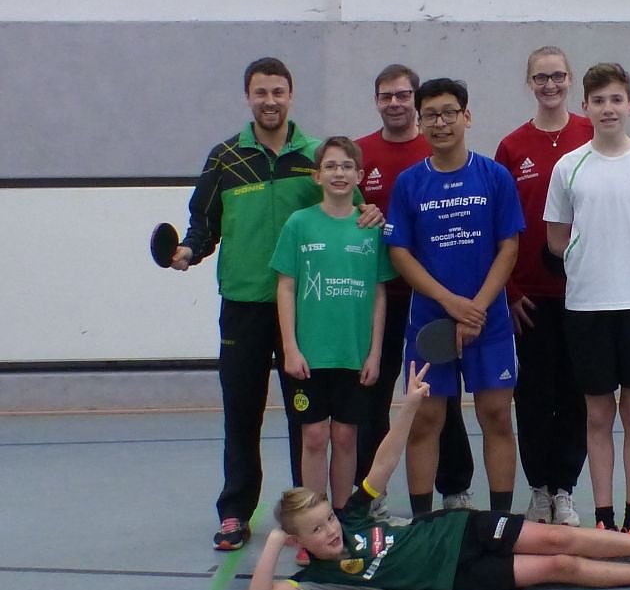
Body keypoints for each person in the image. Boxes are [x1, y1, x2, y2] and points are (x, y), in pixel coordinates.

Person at [246, 362, 630, 590]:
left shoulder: (352, 516)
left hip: (459, 530)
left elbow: (385, 460)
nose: (329, 530)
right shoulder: (317, 580)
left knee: (557, 537)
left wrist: (409, 406)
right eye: (315, 530)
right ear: (299, 542)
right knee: (560, 566)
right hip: (455, 577)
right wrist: (275, 541)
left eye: (326, 519)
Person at [169, 57, 381, 551]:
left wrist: (371, 211)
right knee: (241, 412)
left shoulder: (314, 157)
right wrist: (189, 250)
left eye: (278, 92)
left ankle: (308, 520)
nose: (270, 101)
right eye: (261, 92)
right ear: (248, 97)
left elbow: (349, 208)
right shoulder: (225, 157)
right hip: (242, 305)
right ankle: (235, 512)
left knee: (307, 423)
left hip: (304, 312)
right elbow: (204, 222)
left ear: (290, 95)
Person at [544, 63, 630, 537]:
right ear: (585, 107)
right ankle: (603, 518)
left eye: (616, 99)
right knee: (598, 414)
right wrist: (592, 258)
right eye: (598, 100)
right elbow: (556, 239)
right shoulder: (569, 166)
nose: (608, 108)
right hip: (586, 308)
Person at [384, 78, 523, 518]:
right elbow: (399, 252)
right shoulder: (409, 183)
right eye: (430, 115)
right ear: (420, 121)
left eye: (449, 113)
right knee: (425, 420)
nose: (440, 123)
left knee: (496, 415)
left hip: (489, 321)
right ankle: (424, 524)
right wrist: (450, 303)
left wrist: (475, 308)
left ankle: (501, 524)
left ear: (467, 116)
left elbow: (509, 248)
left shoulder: (495, 176)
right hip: (430, 320)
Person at [356, 64, 476, 517]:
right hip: (378, 299)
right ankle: (371, 493)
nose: (395, 103)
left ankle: (455, 488)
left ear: (416, 103)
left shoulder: (439, 149)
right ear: (376, 101)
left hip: (431, 299)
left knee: (440, 400)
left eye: (402, 95)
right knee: (373, 396)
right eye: (386, 96)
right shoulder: (360, 154)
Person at [270, 136, 395, 564]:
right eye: (330, 166)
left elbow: (379, 294)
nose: (338, 173)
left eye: (346, 167)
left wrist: (375, 352)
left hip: (354, 354)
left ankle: (342, 522)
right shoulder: (299, 224)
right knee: (314, 436)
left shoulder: (370, 227)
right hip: (310, 355)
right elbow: (286, 287)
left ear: (359, 176)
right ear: (317, 175)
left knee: (345, 436)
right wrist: (290, 347)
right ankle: (312, 528)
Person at [494, 47, 594, 526]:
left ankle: (565, 490)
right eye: (540, 77)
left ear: (570, 79)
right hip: (529, 300)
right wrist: (511, 292)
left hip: (585, 296)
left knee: (576, 395)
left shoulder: (592, 134)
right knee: (533, 397)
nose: (550, 85)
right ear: (529, 82)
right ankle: (538, 490)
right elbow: (502, 227)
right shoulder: (512, 147)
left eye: (557, 76)